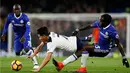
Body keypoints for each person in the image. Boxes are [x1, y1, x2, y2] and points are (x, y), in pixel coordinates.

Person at [52, 14, 129, 73]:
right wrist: (78, 29)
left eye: (101, 21)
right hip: (98, 46)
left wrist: (124, 57)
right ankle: (61, 65)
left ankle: (83, 69)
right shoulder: (99, 24)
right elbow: (89, 26)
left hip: (104, 50)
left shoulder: (112, 31)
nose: (99, 22)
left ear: (106, 23)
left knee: (84, 48)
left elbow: (118, 44)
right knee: (80, 50)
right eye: (100, 20)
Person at [1, 4, 39, 69]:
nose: (17, 11)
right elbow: (6, 25)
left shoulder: (25, 17)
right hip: (17, 35)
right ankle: (32, 50)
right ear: (13, 10)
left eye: (18, 9)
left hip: (25, 34)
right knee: (17, 53)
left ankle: (36, 64)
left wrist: (25, 36)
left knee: (27, 49)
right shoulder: (10, 16)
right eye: (15, 10)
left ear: (20, 10)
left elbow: (28, 29)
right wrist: (4, 33)